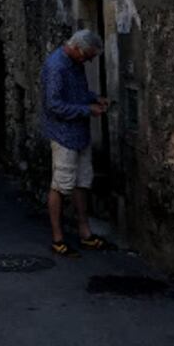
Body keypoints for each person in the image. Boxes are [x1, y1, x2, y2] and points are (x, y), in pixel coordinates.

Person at [41, 30, 111, 257]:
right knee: (60, 185)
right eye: (88, 56)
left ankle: (85, 232)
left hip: (79, 133)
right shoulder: (56, 67)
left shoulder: (75, 63)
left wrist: (93, 98)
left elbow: (78, 92)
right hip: (63, 135)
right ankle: (57, 238)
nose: (89, 61)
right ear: (78, 49)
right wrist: (86, 109)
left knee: (82, 181)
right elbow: (53, 105)